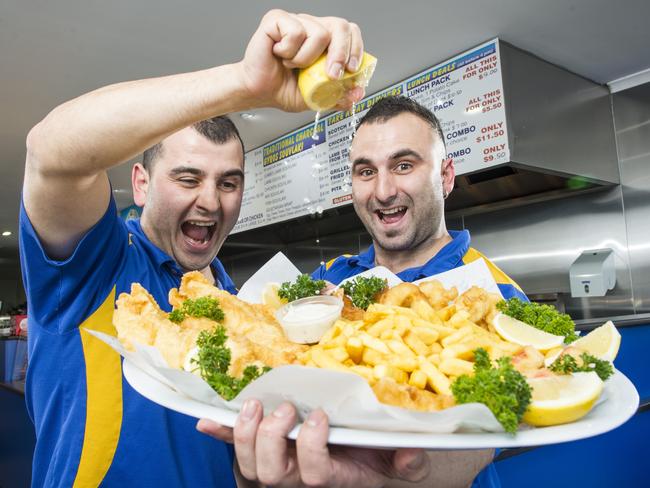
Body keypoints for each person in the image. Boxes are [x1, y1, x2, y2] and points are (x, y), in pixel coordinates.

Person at [21, 9, 438, 488]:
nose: (210, 200)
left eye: (229, 182)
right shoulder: (96, 264)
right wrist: (243, 83)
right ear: (141, 184)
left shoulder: (232, 297)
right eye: (187, 178)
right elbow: (51, 152)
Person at [310, 95, 530, 487]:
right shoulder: (329, 275)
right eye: (365, 172)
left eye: (404, 165)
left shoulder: (493, 291)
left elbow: (490, 438)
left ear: (445, 177)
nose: (383, 191)